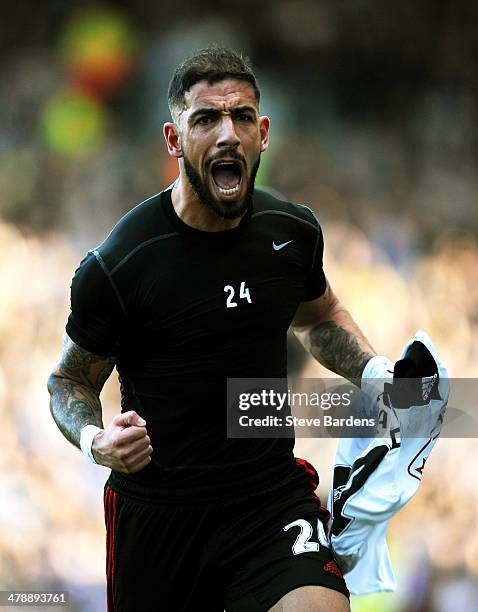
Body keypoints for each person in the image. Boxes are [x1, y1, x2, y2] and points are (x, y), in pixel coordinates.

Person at [48, 48, 378, 612]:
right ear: (174, 141)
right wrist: (95, 441)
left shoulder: (291, 232)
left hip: (269, 501)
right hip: (160, 519)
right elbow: (69, 383)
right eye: (206, 119)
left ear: (263, 132)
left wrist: (381, 374)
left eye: (242, 117)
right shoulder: (121, 263)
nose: (228, 134)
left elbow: (319, 317)